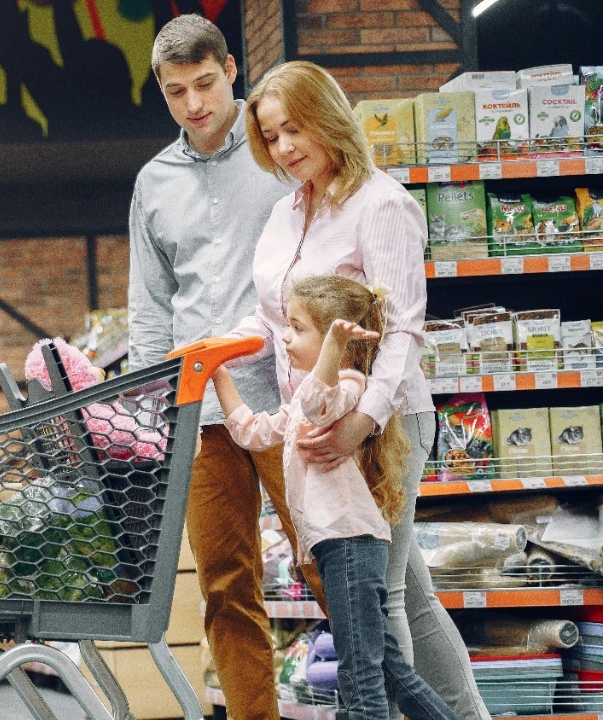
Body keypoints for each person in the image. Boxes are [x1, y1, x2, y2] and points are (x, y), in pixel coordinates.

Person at [228, 60, 490, 720]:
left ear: (327, 117)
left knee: (383, 602)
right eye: (271, 136)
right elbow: (268, 317)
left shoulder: (381, 204)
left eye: (294, 128)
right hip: (318, 425)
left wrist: (365, 420)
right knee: (408, 594)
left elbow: (403, 330)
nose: (285, 147)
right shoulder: (287, 213)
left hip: (383, 423)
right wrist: (217, 350)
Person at [127, 15, 311, 720]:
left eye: (204, 83)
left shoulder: (276, 151)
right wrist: (151, 423)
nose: (194, 104)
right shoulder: (154, 181)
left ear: (231, 69)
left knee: (327, 561)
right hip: (200, 411)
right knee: (227, 586)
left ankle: (367, 703)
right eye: (176, 92)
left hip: (292, 398)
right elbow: (149, 306)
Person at [212, 276, 458, 720]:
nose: (285, 337)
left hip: (351, 546)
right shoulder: (306, 394)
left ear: (334, 340)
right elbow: (253, 431)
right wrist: (219, 373)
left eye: (298, 327)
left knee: (361, 680)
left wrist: (331, 351)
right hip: (338, 547)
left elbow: (318, 406)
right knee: (391, 672)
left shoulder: (349, 384)